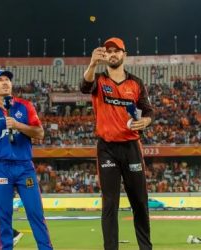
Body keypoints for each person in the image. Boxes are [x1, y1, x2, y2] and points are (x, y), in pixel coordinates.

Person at [80, 37, 154, 250]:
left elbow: (148, 111)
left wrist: (145, 121)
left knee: (139, 202)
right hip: (107, 148)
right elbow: (84, 87)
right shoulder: (99, 80)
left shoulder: (136, 83)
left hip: (131, 147)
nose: (112, 54)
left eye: (117, 51)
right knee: (110, 204)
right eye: (109, 51)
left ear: (124, 54)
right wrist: (92, 63)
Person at [0, 69, 53, 250]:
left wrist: (18, 125)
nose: (4, 82)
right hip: (1, 168)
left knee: (35, 213)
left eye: (7, 79)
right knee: (3, 216)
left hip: (25, 168)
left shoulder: (25, 106)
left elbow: (40, 133)